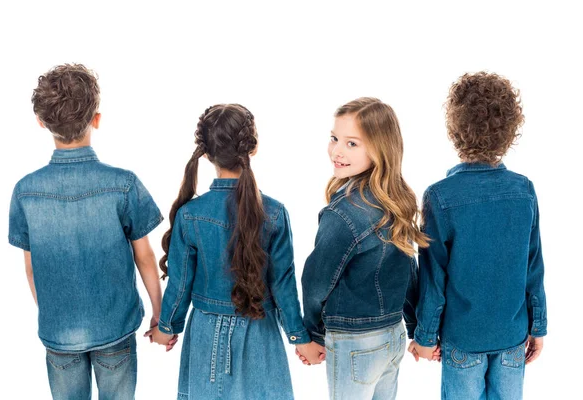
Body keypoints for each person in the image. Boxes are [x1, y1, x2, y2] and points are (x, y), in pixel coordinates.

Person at [8, 63, 164, 399]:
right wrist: (158, 312)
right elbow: (146, 257)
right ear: (96, 118)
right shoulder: (123, 185)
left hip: (59, 333)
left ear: (41, 122)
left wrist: (55, 314)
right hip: (115, 328)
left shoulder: (25, 192)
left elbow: (32, 270)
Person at [147, 104, 323, 400]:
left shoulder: (190, 214)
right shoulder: (275, 213)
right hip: (260, 333)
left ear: (205, 153)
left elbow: (179, 284)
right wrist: (299, 337)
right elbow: (283, 284)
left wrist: (166, 327)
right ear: (252, 149)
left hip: (205, 333)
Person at [408, 72, 547, 400]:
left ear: (454, 130)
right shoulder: (524, 191)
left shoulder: (440, 197)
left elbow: (432, 277)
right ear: (511, 130)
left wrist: (425, 336)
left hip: (463, 340)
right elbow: (533, 266)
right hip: (513, 335)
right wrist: (538, 325)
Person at [301, 97, 429, 400]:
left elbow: (317, 281)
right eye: (334, 138)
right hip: (392, 337)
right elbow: (408, 272)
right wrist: (414, 326)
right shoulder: (393, 202)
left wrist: (311, 334)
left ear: (380, 148)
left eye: (352, 144)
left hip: (353, 343)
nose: (337, 151)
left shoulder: (344, 214)